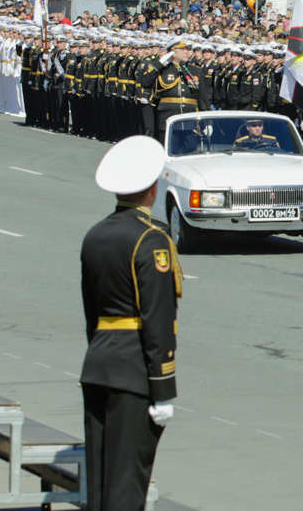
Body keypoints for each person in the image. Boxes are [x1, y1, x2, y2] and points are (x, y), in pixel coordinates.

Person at [80, 135, 182, 511]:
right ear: (152, 189)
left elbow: (93, 314)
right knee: (127, 485)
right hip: (134, 373)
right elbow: (158, 318)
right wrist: (163, 385)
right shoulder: (151, 240)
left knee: (101, 481)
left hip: (98, 365)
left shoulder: (95, 235)